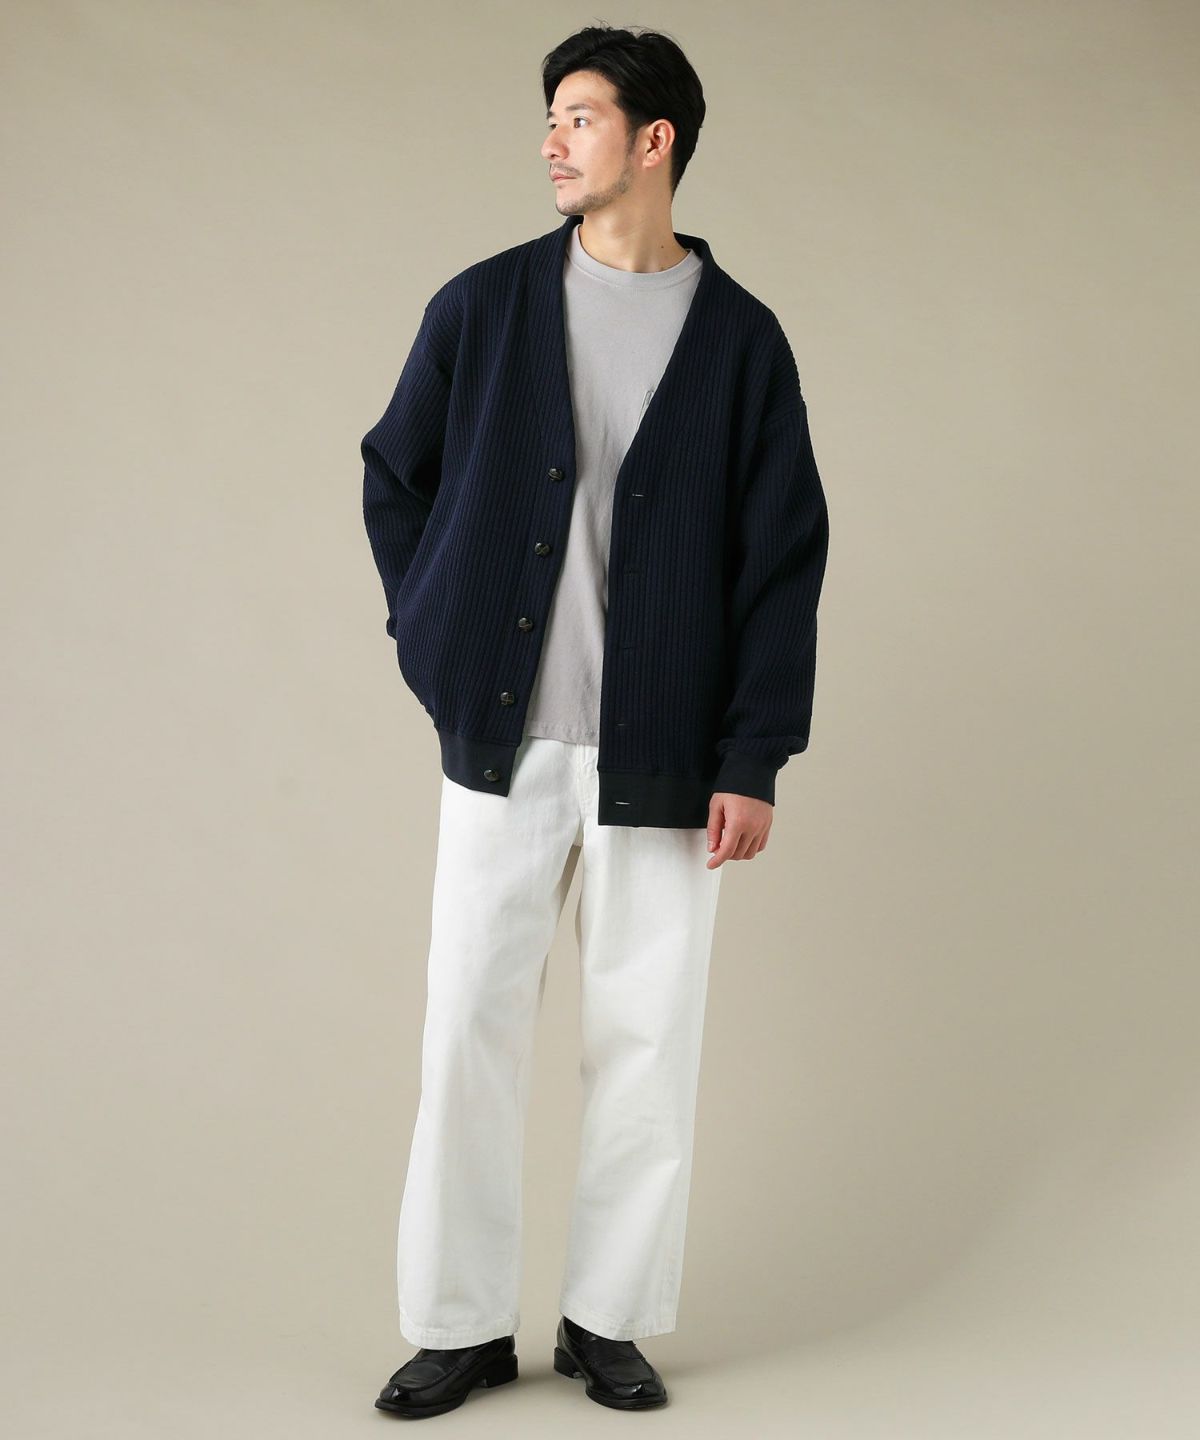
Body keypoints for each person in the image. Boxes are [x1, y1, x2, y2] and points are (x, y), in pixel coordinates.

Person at [361, 24, 830, 1417]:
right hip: (503, 748)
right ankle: (458, 1325)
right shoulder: (486, 306)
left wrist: (753, 757)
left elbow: (782, 561)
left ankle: (605, 1320)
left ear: (654, 140)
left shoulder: (740, 342)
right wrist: (436, 640)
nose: (552, 140)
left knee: (647, 1046)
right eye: (552, 117)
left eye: (578, 116)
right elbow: (395, 477)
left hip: (667, 761)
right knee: (467, 1032)